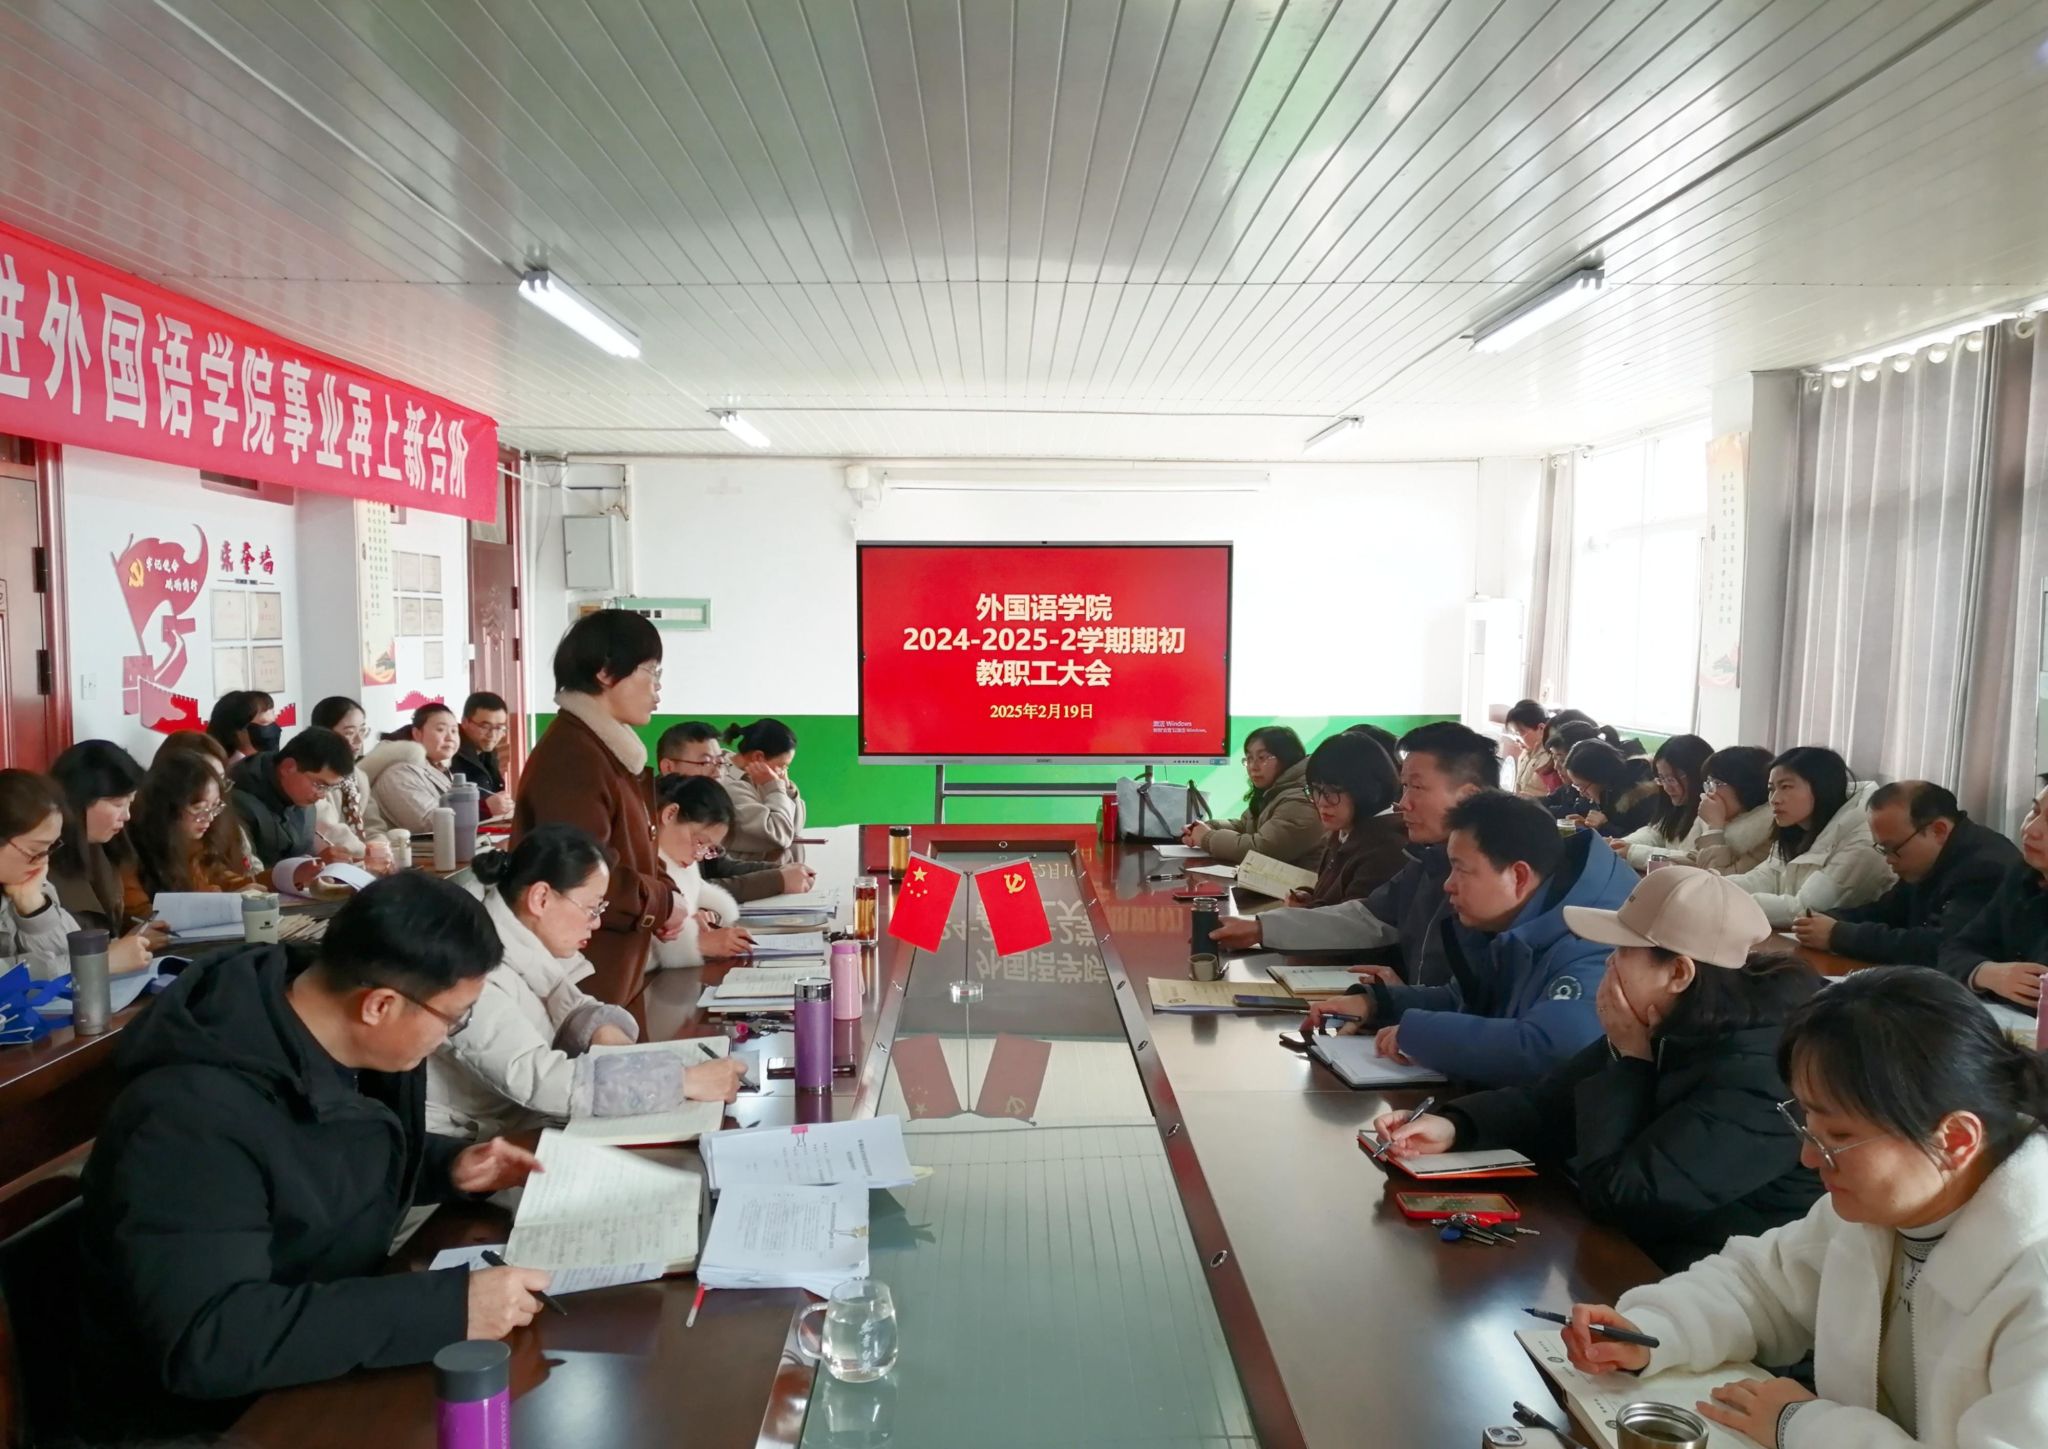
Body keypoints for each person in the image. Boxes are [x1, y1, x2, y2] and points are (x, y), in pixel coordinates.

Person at [77, 874, 554, 1442]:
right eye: (454, 1018)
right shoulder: (189, 1119)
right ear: (379, 1005)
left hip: (310, 1352)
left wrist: (446, 1166)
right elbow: (209, 1339)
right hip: (207, 1420)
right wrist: (447, 1311)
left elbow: (318, 1159)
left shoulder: (317, 1028)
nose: (449, 1036)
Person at [1561, 967, 2048, 1449]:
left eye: (1838, 1135)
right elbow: (1761, 1285)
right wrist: (1652, 1330)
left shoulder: (2034, 1278)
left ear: (1956, 1139)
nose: (1809, 1158)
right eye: (1807, 1124)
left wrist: (1802, 1424)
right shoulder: (1883, 1211)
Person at [1373, 867, 1823, 1269]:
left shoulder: (1763, 1076)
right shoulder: (1662, 1023)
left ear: (1679, 973)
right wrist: (1456, 1126)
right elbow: (1546, 1104)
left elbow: (1624, 1201)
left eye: (1624, 950)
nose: (1609, 961)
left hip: (1701, 1281)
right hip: (1633, 1255)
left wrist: (1631, 1061)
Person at [427, 825, 746, 1142]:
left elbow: (567, 1003)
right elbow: (539, 1079)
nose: (596, 922)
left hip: (520, 1118)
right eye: (592, 908)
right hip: (473, 1142)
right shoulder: (470, 966)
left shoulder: (519, 935)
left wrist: (602, 1031)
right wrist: (681, 1081)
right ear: (541, 898)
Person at [1301, 790, 1635, 1086]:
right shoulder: (1524, 915)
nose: (1448, 885)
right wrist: (1375, 1003)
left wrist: (1418, 1033)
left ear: (1518, 876)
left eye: (1461, 869)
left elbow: (1548, 1048)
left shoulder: (1594, 936)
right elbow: (1465, 999)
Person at [1210, 723, 1500, 989]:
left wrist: (1401, 1001)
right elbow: (1367, 917)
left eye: (1417, 787)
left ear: (1467, 796)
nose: (1403, 803)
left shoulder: (1496, 879)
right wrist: (1262, 928)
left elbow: (1475, 1005)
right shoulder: (1425, 862)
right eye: (1405, 786)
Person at [516, 609, 679, 1005]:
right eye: (651, 671)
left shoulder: (604, 750)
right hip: (583, 980)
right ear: (606, 672)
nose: (658, 688)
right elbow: (584, 874)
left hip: (613, 973)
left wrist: (668, 895)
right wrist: (663, 902)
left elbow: (638, 850)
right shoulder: (574, 757)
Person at [1792, 782, 2018, 966]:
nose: (1888, 859)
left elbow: (1943, 946)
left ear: (1938, 830)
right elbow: (1888, 911)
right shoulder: (1928, 860)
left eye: (1893, 848)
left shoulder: (1985, 868)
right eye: (1883, 849)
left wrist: (1839, 935)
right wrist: (1830, 919)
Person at [1726, 747, 1892, 928]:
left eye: (1786, 787)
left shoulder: (1862, 839)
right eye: (1771, 789)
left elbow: (1806, 909)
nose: (1774, 799)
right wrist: (1715, 887)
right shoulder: (1797, 826)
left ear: (1822, 786)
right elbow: (1766, 877)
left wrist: (1728, 902)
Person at [656, 721, 812, 902]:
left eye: (720, 763)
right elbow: (689, 889)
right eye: (705, 762)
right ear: (668, 767)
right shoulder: (651, 815)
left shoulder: (704, 803)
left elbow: (718, 865)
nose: (717, 773)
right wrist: (778, 879)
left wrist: (781, 871)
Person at [47, 740, 164, 971]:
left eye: (130, 803)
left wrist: (131, 940)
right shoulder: (39, 863)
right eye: (118, 804)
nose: (127, 815)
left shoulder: (106, 848)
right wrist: (114, 951)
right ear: (77, 800)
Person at [1938, 777, 2048, 1009]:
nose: (2031, 829)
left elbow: (2037, 994)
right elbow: (1954, 948)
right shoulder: (2024, 873)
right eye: (2034, 811)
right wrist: (1987, 973)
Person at [124, 750, 257, 916]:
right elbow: (139, 913)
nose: (209, 818)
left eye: (214, 807)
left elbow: (222, 879)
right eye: (199, 809)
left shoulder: (196, 843)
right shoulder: (131, 851)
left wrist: (276, 878)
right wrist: (214, 902)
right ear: (168, 808)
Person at [650, 774, 758, 968]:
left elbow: (705, 896)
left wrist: (710, 915)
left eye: (709, 849)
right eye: (699, 842)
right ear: (670, 814)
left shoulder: (679, 862)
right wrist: (697, 945)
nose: (699, 856)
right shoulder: (639, 865)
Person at [1292, 731, 1407, 908]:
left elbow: (1353, 921)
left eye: (1333, 790)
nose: (1321, 802)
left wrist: (1305, 911)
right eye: (1316, 789)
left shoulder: (1385, 849)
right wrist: (1311, 898)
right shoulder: (1345, 829)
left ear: (1367, 789)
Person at [1183, 726, 1322, 868]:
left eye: (1262, 758)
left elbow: (1261, 850)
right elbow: (1246, 826)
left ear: (1287, 758)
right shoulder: (1273, 791)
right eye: (1249, 758)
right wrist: (1209, 827)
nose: (1253, 767)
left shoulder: (1301, 799)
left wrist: (1207, 838)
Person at [228, 726, 354, 870]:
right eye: (319, 785)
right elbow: (247, 876)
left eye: (329, 788)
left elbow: (302, 853)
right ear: (288, 767)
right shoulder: (239, 800)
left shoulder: (298, 795)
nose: (322, 795)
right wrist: (313, 865)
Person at [0, 769, 80, 979]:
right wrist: (104, 962)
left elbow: (74, 951)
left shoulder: (27, 882)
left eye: (50, 848)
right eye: (35, 850)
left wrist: (34, 908)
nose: (43, 861)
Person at [1613, 734, 1714, 868]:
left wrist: (1632, 852)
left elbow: (1693, 861)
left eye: (1671, 779)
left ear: (1696, 775)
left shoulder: (1712, 815)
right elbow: (1655, 833)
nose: (1667, 787)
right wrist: (1619, 844)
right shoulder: (1677, 806)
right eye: (1661, 779)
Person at [363, 703, 462, 834]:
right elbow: (429, 823)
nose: (450, 738)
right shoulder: (398, 774)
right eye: (440, 730)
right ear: (417, 734)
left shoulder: (439, 767)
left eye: (454, 731)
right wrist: (476, 810)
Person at [718, 718, 807, 860]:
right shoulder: (727, 783)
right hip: (745, 870)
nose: (782, 772)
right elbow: (779, 835)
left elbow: (794, 829)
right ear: (758, 757)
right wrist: (775, 788)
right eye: (782, 766)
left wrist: (786, 788)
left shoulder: (760, 776)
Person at [308, 695, 384, 858]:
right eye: (349, 733)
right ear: (324, 734)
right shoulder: (312, 777)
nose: (359, 740)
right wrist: (366, 855)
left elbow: (373, 825)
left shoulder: (358, 776)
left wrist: (380, 849)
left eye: (362, 730)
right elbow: (330, 831)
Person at [1691, 745, 1778, 875]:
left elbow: (1717, 879)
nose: (1709, 792)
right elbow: (1694, 861)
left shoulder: (1768, 833)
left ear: (1746, 786)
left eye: (1716, 783)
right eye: (1708, 783)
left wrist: (1714, 827)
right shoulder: (1728, 819)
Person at [1562, 738, 1662, 839]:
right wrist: (1587, 825)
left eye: (1582, 787)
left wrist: (1604, 826)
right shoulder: (1608, 791)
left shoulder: (1642, 797)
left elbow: (1644, 841)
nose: (1582, 793)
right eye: (1577, 787)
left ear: (1600, 778)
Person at [451, 691, 514, 819]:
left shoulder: (487, 752)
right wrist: (485, 808)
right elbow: (441, 808)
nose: (492, 735)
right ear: (465, 722)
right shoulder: (449, 753)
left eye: (499, 728)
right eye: (485, 726)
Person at [1538, 717, 1599, 818]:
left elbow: (1575, 812)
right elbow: (1550, 800)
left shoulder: (1595, 789)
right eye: (1554, 758)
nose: (1556, 767)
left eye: (1562, 760)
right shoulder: (1569, 786)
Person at [204, 689, 278, 763]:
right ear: (238, 731)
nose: (274, 729)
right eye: (264, 723)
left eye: (273, 722)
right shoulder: (226, 767)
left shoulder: (268, 761)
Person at [1506, 699, 1559, 798]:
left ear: (1541, 728)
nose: (1516, 739)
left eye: (1520, 733)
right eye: (1514, 734)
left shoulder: (1552, 759)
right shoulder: (1524, 754)